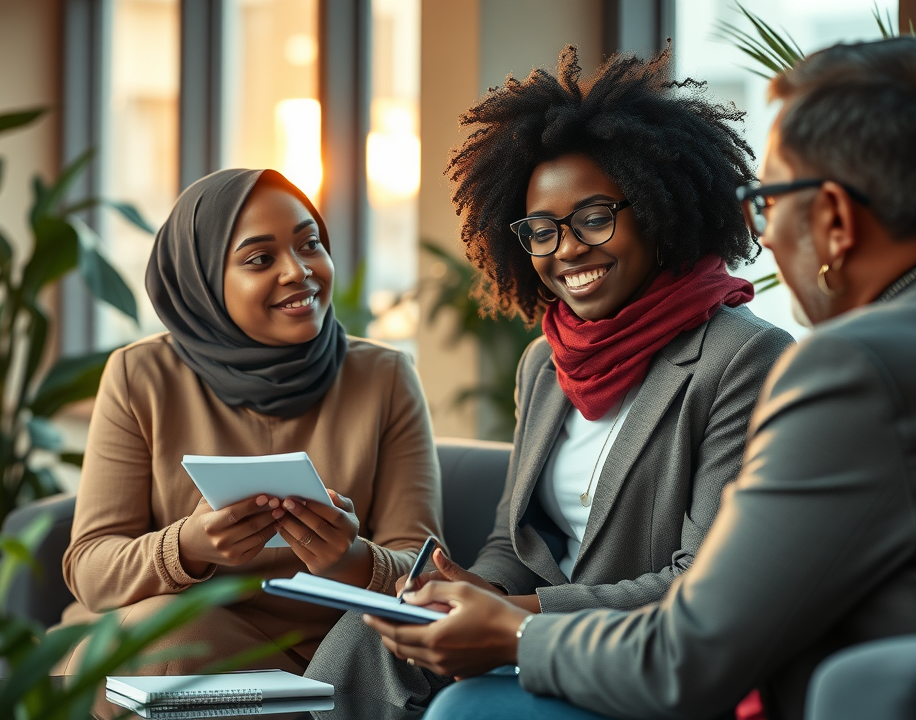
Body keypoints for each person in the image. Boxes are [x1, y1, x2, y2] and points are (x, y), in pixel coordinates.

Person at [367, 35, 916, 720]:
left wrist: (516, 634)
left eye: (771, 202)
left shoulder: (855, 367)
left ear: (832, 217)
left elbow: (691, 651)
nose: (764, 235)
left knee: (479, 709)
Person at [305, 46, 792, 712]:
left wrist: (515, 615)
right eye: (541, 229)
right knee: (365, 639)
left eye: (594, 218)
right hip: (527, 636)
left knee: (460, 710)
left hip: (636, 660)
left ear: (656, 208)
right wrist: (466, 591)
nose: (566, 249)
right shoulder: (548, 362)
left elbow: (700, 585)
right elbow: (518, 539)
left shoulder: (742, 358)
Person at [55, 169, 444, 675]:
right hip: (162, 641)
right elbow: (91, 568)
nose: (298, 271)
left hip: (324, 659)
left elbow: (426, 569)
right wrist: (187, 548)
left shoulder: (383, 376)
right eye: (260, 259)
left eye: (310, 245)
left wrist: (349, 559)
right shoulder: (141, 375)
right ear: (203, 281)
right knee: (168, 638)